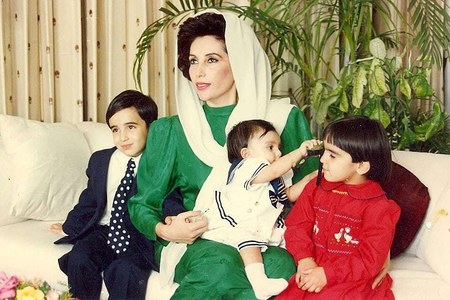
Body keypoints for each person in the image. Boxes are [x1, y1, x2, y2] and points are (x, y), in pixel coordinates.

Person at [128, 9, 318, 300]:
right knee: (219, 265)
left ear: (239, 63)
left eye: (212, 60)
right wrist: (167, 231)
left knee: (280, 265)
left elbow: (313, 195)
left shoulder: (282, 118)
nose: (198, 72)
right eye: (193, 61)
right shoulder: (170, 130)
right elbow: (142, 205)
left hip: (263, 236)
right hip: (199, 240)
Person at [277, 116, 401, 299]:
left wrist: (328, 274)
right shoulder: (315, 187)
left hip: (350, 282)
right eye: (325, 152)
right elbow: (296, 225)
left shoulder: (379, 207)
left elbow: (370, 259)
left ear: (361, 166)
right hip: (311, 271)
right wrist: (304, 259)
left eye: (333, 155)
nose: (322, 160)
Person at [51, 90, 159, 299]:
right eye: (115, 129)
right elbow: (89, 201)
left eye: (131, 127)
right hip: (104, 230)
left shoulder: (158, 163)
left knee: (125, 270)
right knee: (80, 257)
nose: (122, 137)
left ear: (150, 126)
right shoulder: (101, 160)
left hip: (138, 236)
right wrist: (68, 226)